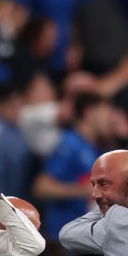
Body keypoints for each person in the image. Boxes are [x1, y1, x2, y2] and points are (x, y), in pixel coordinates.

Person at [33, 92, 116, 239]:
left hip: (84, 235)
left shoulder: (96, 148)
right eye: (105, 113)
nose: (110, 119)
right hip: (63, 236)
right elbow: (41, 187)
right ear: (89, 113)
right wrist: (82, 190)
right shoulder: (69, 144)